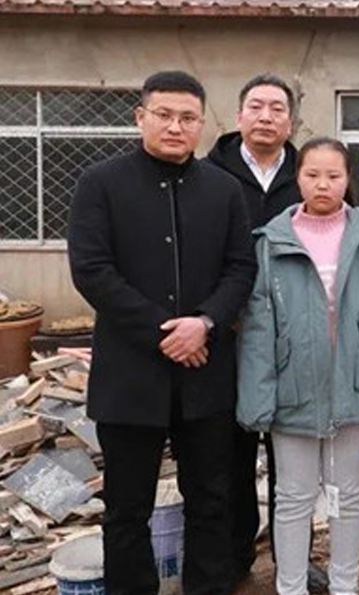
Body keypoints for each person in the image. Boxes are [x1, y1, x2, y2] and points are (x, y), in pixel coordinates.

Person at [67, 70, 257, 595]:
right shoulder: (101, 184)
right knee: (127, 509)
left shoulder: (223, 190)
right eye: (164, 115)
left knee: (212, 501)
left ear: (202, 124)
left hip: (206, 375)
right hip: (130, 376)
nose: (176, 127)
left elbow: (241, 267)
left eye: (188, 118)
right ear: (140, 117)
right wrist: (165, 332)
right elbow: (92, 270)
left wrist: (205, 322)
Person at [237, 137, 359, 595]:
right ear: (298, 178)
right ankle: (290, 587)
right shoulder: (272, 241)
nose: (323, 185)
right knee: (292, 498)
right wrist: (258, 399)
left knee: (346, 498)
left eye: (334, 175)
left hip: (353, 387)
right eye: (313, 175)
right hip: (292, 390)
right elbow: (258, 329)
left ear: (348, 179)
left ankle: (344, 586)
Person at [206, 73, 329, 594]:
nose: (265, 116)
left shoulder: (309, 175)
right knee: (229, 455)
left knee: (292, 458)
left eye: (277, 108)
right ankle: (234, 556)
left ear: (292, 122)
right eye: (256, 106)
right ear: (238, 116)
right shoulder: (208, 175)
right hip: (227, 337)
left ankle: (293, 560)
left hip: (294, 341)